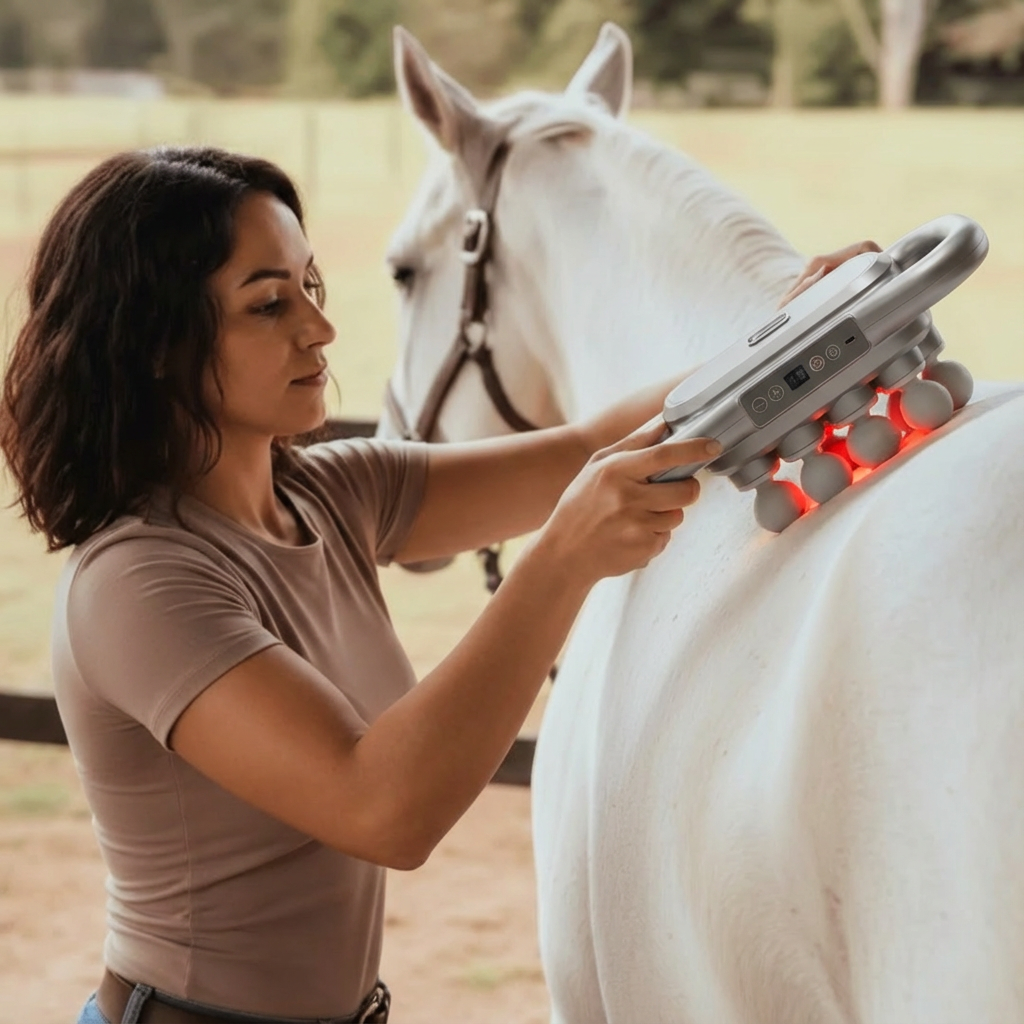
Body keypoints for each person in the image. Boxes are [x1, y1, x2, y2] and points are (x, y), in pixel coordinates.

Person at [0, 146, 716, 1024]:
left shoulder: (330, 492)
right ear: (153, 344)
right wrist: (561, 560)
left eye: (312, 287)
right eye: (268, 304)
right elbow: (383, 808)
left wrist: (793, 335)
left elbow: (582, 453)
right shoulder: (137, 582)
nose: (319, 329)